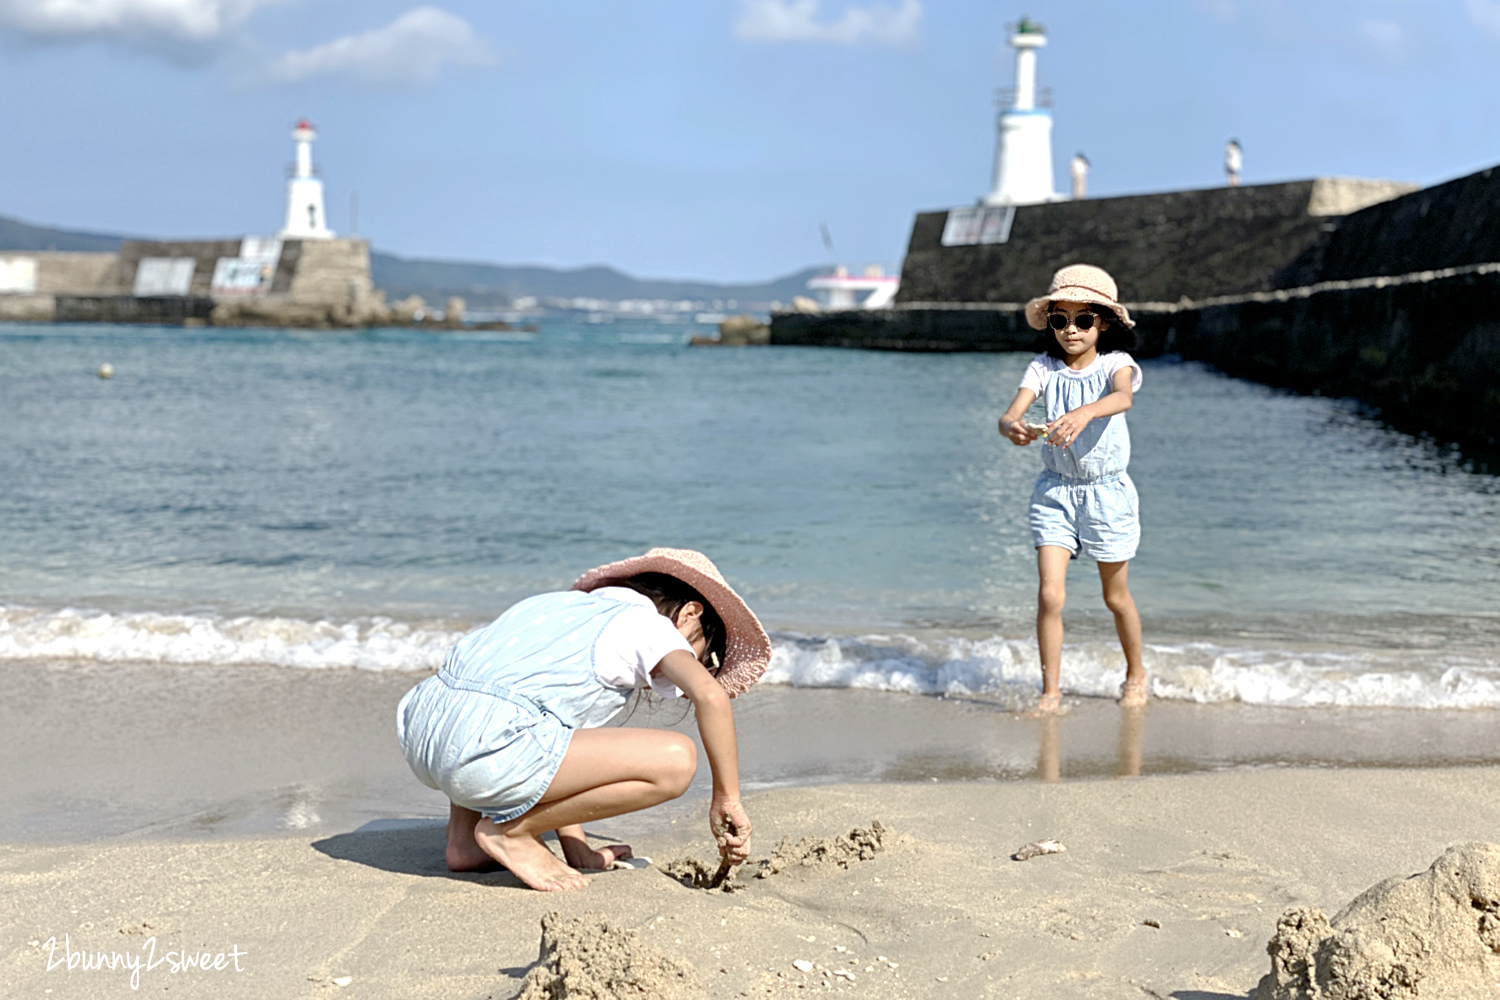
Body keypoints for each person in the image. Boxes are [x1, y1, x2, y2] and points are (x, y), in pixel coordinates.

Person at [396, 547, 771, 891]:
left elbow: (559, 742)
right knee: (677, 761)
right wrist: (727, 798)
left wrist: (580, 851)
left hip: (425, 727)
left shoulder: (561, 607)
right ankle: (509, 832)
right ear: (690, 613)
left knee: (493, 705)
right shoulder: (648, 625)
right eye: (705, 656)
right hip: (490, 747)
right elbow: (711, 696)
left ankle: (463, 842)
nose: (698, 669)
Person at [995, 264, 1147, 715]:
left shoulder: (1117, 365)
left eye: (1082, 320)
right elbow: (1010, 414)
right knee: (1049, 595)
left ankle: (1136, 672)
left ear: (1102, 321)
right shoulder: (1042, 368)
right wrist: (1013, 428)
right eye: (1060, 320)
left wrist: (1085, 413)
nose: (1070, 330)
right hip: (1055, 493)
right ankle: (1050, 693)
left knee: (1115, 597)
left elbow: (1124, 398)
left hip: (1107, 495)